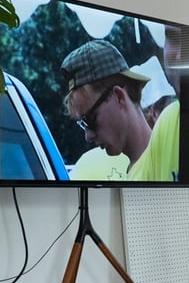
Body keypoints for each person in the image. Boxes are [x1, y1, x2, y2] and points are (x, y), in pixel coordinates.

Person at [61, 39, 179, 182]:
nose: (88, 136)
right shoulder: (137, 172)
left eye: (90, 120)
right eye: (83, 124)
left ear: (119, 96)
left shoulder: (174, 128)